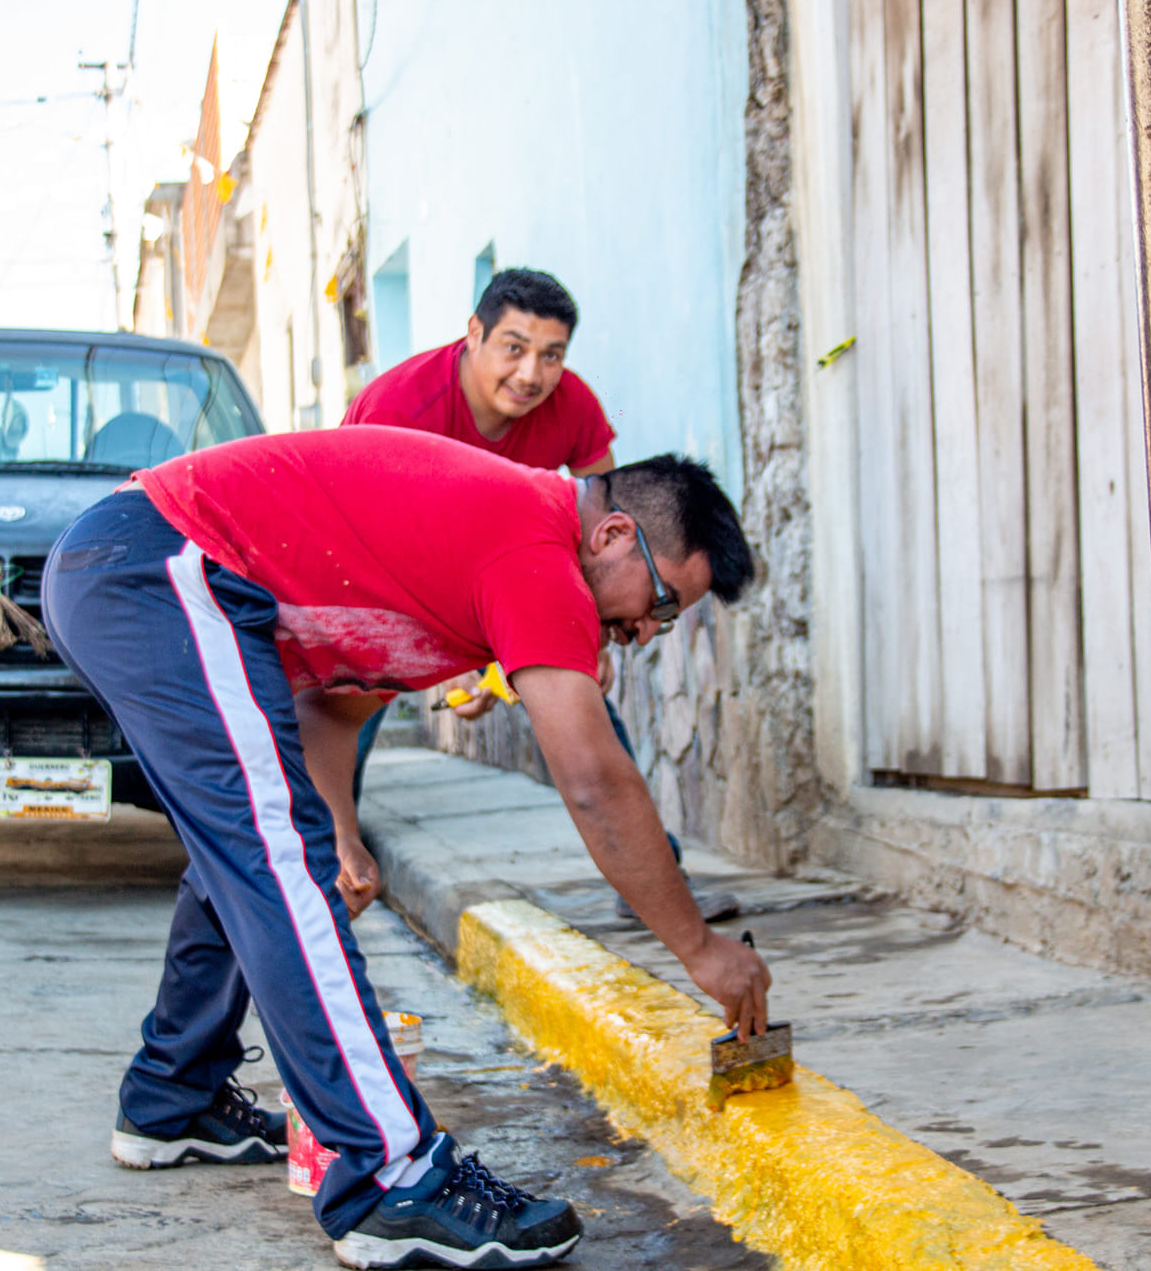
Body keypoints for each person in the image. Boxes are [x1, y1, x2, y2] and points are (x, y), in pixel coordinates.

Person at [41, 426, 772, 1269]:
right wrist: (701, 948)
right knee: (279, 865)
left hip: (133, 568)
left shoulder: (475, 557)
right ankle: (394, 1176)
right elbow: (595, 783)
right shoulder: (536, 548)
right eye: (664, 602)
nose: (648, 632)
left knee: (258, 854)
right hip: (160, 563)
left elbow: (332, 711)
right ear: (612, 536)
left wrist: (343, 834)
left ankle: (175, 1095)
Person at [344, 267, 737, 922]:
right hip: (378, 578)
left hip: (508, 572)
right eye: (514, 347)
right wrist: (468, 656)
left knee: (582, 704)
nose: (531, 373)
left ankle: (651, 879)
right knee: (343, 711)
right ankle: (324, 853)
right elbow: (379, 547)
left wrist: (599, 627)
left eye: (551, 355)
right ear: (474, 334)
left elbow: (612, 512)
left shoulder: (572, 404)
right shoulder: (398, 409)